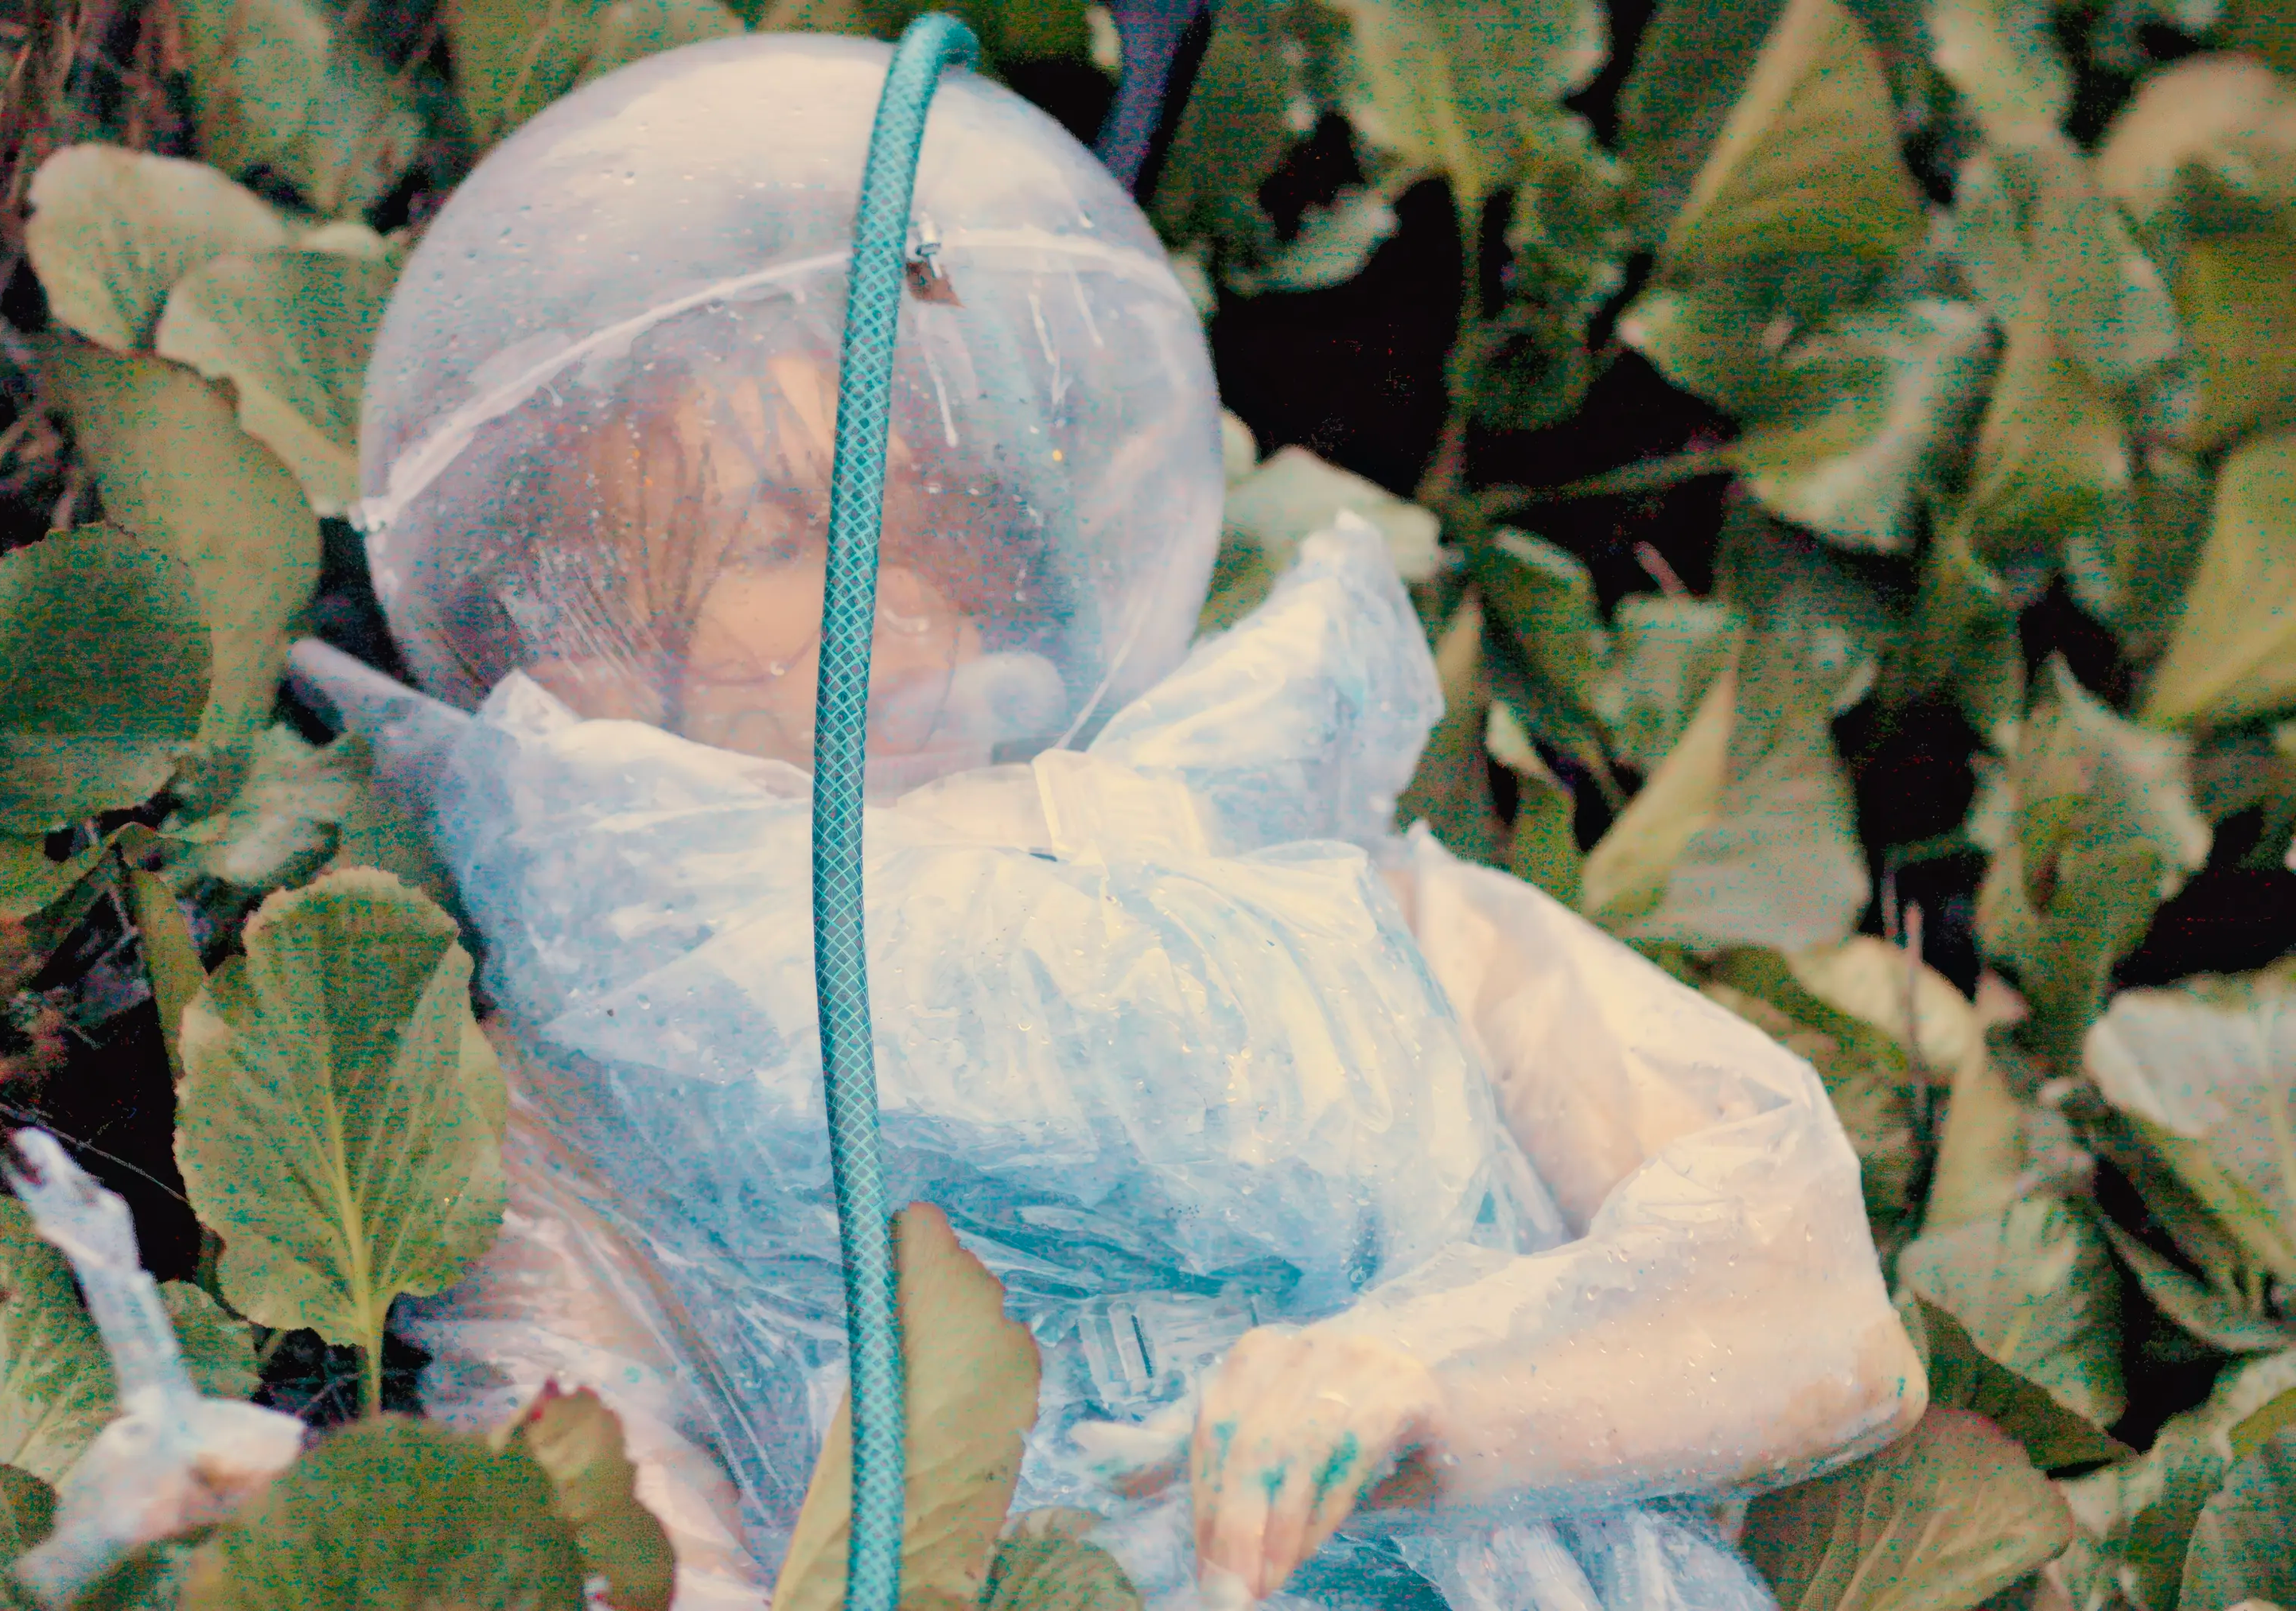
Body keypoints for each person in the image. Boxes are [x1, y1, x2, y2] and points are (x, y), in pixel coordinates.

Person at [294, 33, 1923, 1611]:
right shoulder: (582, 1079)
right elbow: (619, 1530)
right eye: (788, 535)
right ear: (588, 659)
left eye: (927, 513)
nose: (905, 587)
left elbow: (1804, 1290)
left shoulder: (1338, 894)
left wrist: (1437, 1386)